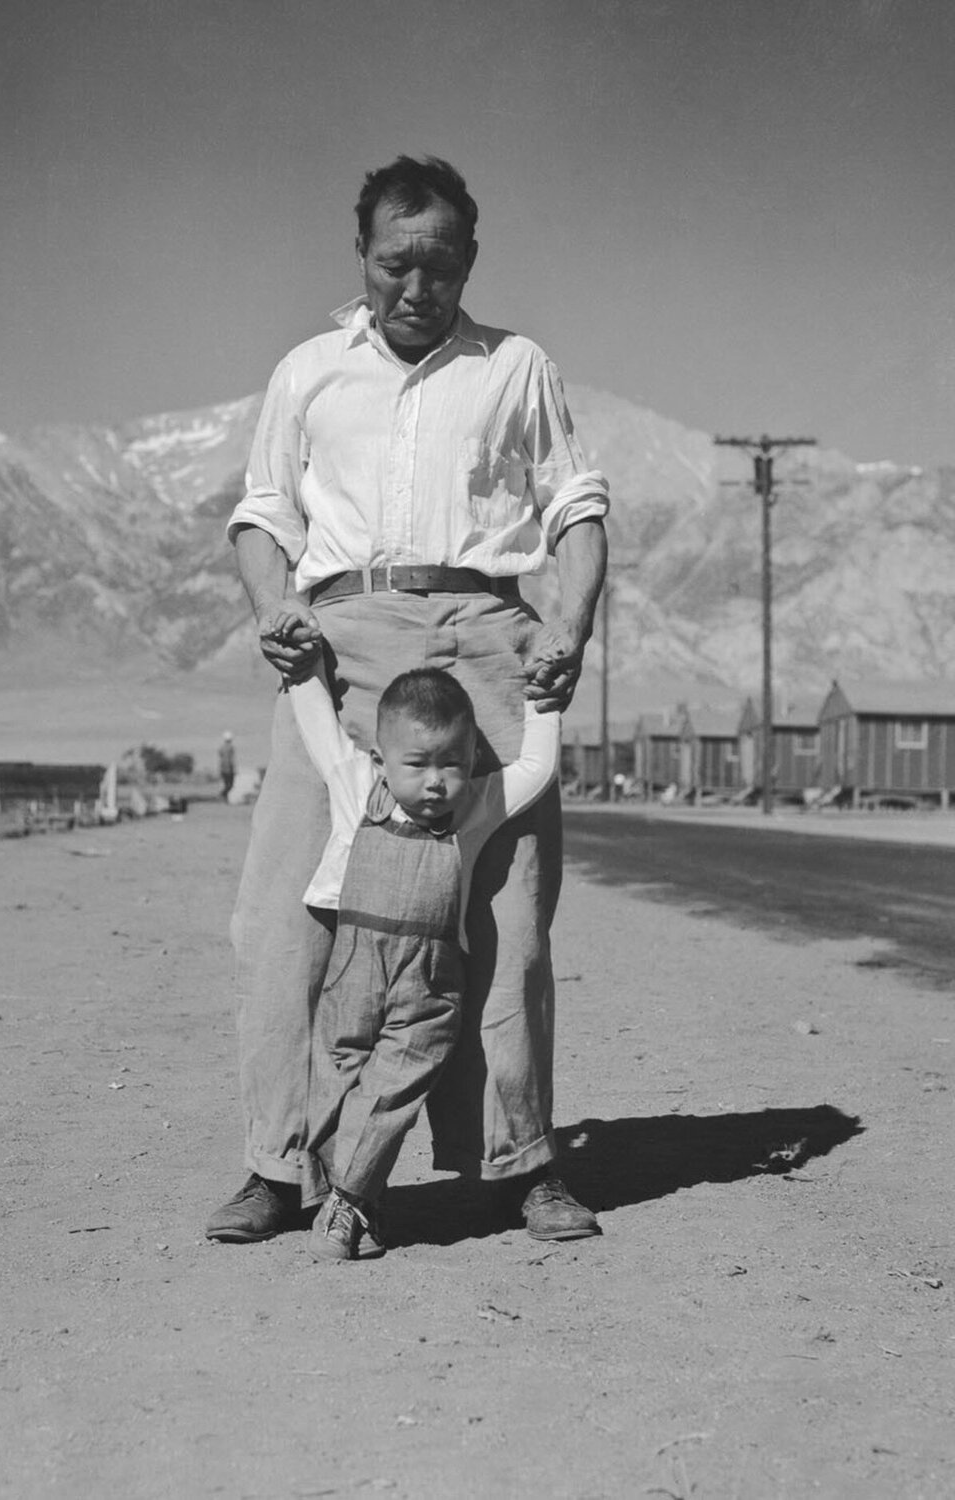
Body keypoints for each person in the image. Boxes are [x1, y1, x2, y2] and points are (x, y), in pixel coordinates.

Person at [206, 154, 609, 1246]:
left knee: (505, 919)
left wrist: (566, 625)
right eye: (395, 264)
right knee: (284, 911)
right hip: (341, 646)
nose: (415, 287)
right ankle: (278, 1163)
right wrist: (272, 605)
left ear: (469, 260)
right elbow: (260, 516)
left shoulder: (516, 367)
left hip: (485, 637)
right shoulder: (307, 373)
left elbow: (575, 509)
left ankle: (525, 1163)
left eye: (438, 265)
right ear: (364, 257)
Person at [284, 654, 560, 1260]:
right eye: (418, 764)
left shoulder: (474, 811)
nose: (436, 782)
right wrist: (303, 664)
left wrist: (544, 702)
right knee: (338, 1078)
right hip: (353, 969)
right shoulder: (356, 784)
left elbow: (536, 767)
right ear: (382, 759)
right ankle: (360, 1202)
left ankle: (345, 1202)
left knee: (393, 1086)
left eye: (452, 764)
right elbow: (317, 723)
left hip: (430, 984)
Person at [217, 732, 236, 801]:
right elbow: (229, 759)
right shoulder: (230, 747)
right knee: (230, 785)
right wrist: (231, 769)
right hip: (228, 769)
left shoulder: (221, 747)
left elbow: (221, 756)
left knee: (227, 785)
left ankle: (225, 799)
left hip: (223, 768)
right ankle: (222, 795)